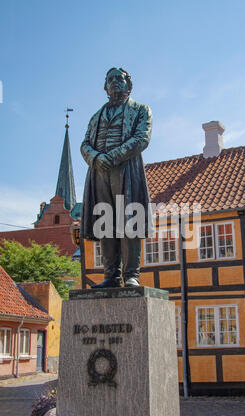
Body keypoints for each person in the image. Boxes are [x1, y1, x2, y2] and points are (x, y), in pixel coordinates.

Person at [80, 67, 152, 288]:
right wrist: (95, 157)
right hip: (99, 172)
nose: (114, 82)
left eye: (119, 78)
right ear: (105, 87)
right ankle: (111, 275)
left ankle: (132, 275)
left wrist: (112, 156)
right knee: (105, 222)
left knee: (130, 220)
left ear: (129, 85)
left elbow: (142, 138)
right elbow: (84, 144)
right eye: (110, 79)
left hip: (126, 170)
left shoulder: (141, 110)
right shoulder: (95, 117)